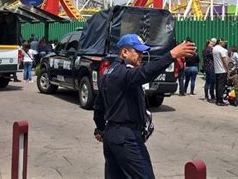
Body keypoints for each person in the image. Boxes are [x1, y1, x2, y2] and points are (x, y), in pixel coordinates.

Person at [93, 34, 195, 178]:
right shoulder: (123, 73)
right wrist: (171, 55)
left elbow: (99, 108)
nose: (141, 55)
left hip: (112, 135)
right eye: (138, 51)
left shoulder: (108, 73)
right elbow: (145, 73)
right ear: (124, 52)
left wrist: (101, 129)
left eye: (142, 52)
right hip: (126, 137)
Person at [213, 39, 229, 106]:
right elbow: (225, 61)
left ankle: (218, 99)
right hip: (222, 70)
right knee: (221, 86)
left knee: (217, 85)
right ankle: (220, 100)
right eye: (224, 42)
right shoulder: (222, 50)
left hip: (217, 70)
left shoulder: (214, 49)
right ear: (220, 42)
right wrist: (228, 70)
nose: (225, 44)